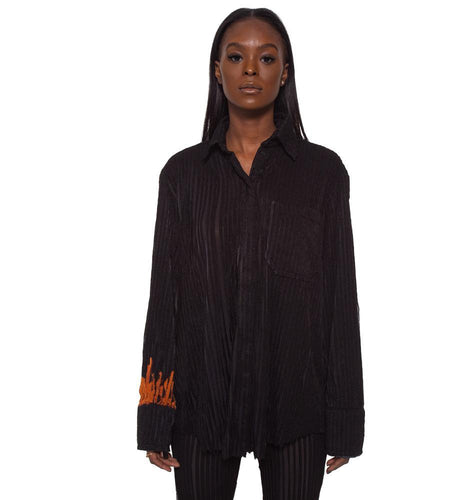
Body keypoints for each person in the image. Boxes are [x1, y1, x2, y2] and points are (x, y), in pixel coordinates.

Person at [137, 7, 365, 500]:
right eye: (236, 56)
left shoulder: (323, 174)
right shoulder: (182, 175)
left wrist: (346, 419)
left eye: (266, 58)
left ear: (284, 73)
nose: (250, 70)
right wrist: (155, 412)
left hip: (296, 401)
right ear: (217, 70)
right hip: (201, 401)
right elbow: (165, 300)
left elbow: (340, 300)